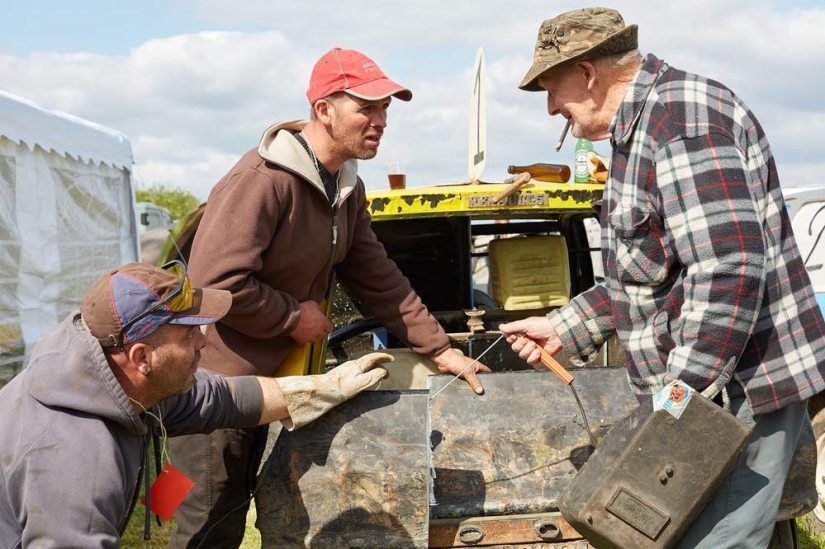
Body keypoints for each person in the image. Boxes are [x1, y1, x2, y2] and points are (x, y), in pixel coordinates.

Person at [500, 7, 825, 548]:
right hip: (717, 388)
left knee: (716, 541)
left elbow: (729, 269)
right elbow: (646, 272)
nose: (552, 107)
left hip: (738, 391)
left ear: (587, 73)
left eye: (552, 90)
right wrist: (564, 327)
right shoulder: (642, 129)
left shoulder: (680, 124)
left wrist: (679, 401)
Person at [168, 47, 490, 547]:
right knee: (206, 515)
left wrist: (441, 349)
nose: (381, 120)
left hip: (281, 382)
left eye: (386, 108)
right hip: (217, 381)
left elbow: (375, 274)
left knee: (256, 507)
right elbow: (215, 286)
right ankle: (148, 507)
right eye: (367, 107)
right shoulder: (262, 180)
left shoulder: (345, 187)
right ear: (324, 110)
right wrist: (293, 317)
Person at [0, 261, 391, 547]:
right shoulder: (75, 457)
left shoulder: (113, 379)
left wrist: (323, 388)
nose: (203, 342)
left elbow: (223, 398)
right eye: (187, 336)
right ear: (141, 358)